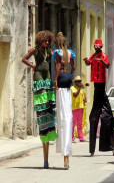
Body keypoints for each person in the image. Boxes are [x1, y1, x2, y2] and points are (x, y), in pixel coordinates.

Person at [22, 30, 57, 169]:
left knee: (49, 102)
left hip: (47, 76)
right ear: (40, 40)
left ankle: (49, 125)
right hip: (38, 77)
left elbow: (56, 58)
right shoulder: (35, 50)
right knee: (41, 102)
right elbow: (24, 58)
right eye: (45, 40)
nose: (47, 42)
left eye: (49, 40)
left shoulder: (49, 50)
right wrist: (33, 66)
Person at [83, 39, 114, 156]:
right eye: (95, 47)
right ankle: (92, 150)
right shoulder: (93, 55)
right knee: (94, 117)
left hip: (102, 84)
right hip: (96, 84)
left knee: (107, 118)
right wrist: (86, 61)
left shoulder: (104, 56)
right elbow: (89, 63)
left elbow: (107, 65)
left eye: (98, 47)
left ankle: (112, 148)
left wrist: (102, 61)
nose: (96, 48)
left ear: (100, 47)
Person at [52, 32, 76, 169]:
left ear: (57, 42)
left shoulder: (57, 52)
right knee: (68, 113)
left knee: (62, 115)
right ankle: (66, 156)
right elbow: (73, 66)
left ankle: (65, 156)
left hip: (61, 78)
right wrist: (70, 75)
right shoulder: (70, 52)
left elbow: (56, 67)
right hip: (68, 78)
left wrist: (56, 79)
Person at [71, 76, 87, 142]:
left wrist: (85, 99)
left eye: (80, 81)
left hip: (81, 107)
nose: (79, 82)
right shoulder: (72, 88)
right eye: (78, 81)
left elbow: (83, 98)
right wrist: (80, 88)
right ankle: (71, 138)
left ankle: (81, 137)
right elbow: (75, 95)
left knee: (80, 123)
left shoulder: (81, 90)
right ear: (75, 82)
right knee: (73, 123)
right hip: (74, 108)